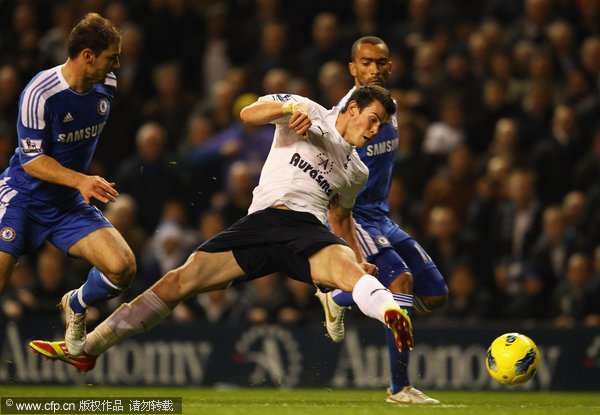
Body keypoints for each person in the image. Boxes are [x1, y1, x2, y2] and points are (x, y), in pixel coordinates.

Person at [29, 85, 412, 375]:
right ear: (353, 108)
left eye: (381, 125)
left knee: (347, 266)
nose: (375, 130)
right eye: (373, 119)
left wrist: (362, 261)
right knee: (178, 282)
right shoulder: (307, 109)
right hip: (262, 222)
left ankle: (392, 315)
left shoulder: (357, 170)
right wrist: (288, 108)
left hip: (306, 229)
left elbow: (341, 220)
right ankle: (88, 349)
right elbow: (248, 114)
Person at [314, 36, 448, 404]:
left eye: (381, 62)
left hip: (382, 216)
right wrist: (349, 248)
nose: (374, 69)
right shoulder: (345, 115)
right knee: (400, 281)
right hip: (353, 216)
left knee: (435, 295)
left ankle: (340, 299)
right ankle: (399, 388)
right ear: (352, 68)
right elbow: (333, 183)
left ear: (391, 66)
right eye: (366, 62)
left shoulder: (389, 106)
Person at [0, 13, 136, 357]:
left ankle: (75, 302)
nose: (117, 64)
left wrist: (81, 182)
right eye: (111, 57)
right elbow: (32, 160)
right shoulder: (40, 93)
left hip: (67, 203)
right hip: (23, 198)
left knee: (123, 269)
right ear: (88, 55)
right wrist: (82, 180)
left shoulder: (107, 87)